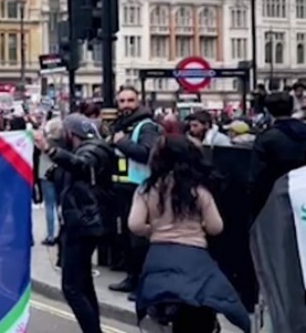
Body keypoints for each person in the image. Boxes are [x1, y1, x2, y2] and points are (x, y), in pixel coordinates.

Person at [129, 135, 249, 333]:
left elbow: (135, 224)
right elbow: (216, 227)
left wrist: (154, 230)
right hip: (195, 259)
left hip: (158, 256)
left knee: (159, 309)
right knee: (201, 306)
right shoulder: (198, 191)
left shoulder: (146, 189)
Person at [34, 114, 116, 333]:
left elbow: (81, 166)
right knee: (83, 285)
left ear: (71, 133)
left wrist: (50, 150)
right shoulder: (86, 149)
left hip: (84, 224)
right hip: (80, 222)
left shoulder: (92, 150)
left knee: (71, 287)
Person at [108, 85, 160, 298]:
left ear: (138, 102)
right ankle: (131, 278)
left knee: (139, 239)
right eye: (122, 101)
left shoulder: (147, 126)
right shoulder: (121, 125)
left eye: (130, 100)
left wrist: (122, 142)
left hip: (140, 187)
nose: (126, 105)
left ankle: (142, 284)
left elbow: (147, 154)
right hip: (122, 187)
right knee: (126, 237)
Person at [251, 91, 306, 219]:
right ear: (292, 108)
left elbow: (257, 176)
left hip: (276, 199)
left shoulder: (266, 138)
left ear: (268, 111)